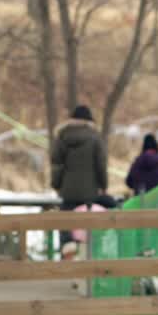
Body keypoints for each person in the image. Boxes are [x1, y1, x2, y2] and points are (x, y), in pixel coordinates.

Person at [51, 105, 114, 258]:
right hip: (89, 191)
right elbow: (101, 165)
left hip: (68, 190)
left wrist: (57, 184)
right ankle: (87, 260)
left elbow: (56, 164)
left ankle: (67, 256)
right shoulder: (94, 137)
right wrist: (103, 185)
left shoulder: (62, 136)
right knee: (87, 225)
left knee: (66, 224)